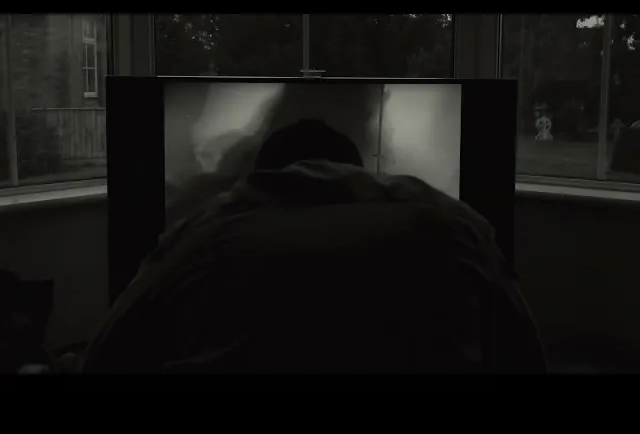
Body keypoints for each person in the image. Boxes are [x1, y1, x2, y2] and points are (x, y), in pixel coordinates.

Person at [81, 120, 546, 374]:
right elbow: (525, 357)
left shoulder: (201, 235)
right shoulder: (457, 226)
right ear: (359, 171)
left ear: (264, 176)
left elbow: (105, 357)